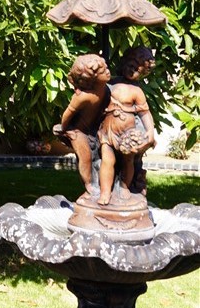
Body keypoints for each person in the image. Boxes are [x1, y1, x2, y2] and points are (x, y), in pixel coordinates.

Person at [53, 54, 111, 196]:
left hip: (94, 129)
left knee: (102, 156)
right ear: (91, 79)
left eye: (107, 68)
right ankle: (89, 184)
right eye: (103, 71)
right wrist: (65, 128)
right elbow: (67, 114)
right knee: (85, 157)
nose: (108, 71)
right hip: (78, 131)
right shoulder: (82, 97)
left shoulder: (107, 89)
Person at [97, 77, 156, 205]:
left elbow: (144, 113)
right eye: (130, 64)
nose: (132, 69)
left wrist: (150, 131)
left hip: (128, 135)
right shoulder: (106, 86)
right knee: (107, 160)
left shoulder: (136, 91)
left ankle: (124, 187)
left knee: (128, 161)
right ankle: (105, 192)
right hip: (108, 132)